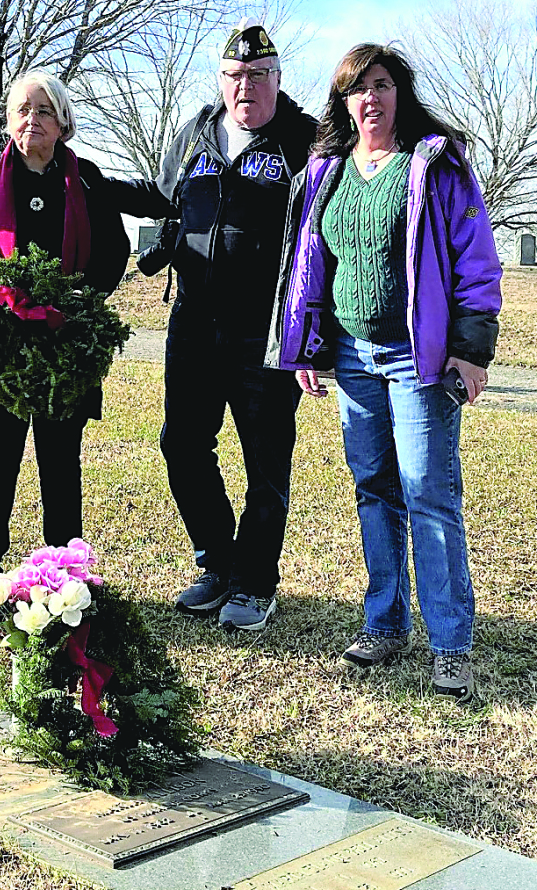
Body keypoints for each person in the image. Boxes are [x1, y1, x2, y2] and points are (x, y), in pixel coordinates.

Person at [266, 43, 502, 701]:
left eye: (379, 84)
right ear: (343, 102)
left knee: (428, 490)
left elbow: (478, 262)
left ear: (400, 91)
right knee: (373, 487)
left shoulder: (434, 165)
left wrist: (471, 349)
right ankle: (384, 623)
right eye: (354, 89)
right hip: (352, 360)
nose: (368, 98)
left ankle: (451, 644)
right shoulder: (326, 172)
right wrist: (309, 348)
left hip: (416, 360)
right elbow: (311, 269)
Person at [106, 18, 317, 630]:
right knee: (182, 445)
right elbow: (162, 195)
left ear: (277, 80)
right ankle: (218, 564)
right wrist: (92, 181)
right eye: (233, 76)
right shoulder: (195, 131)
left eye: (256, 75)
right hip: (193, 324)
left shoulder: (304, 138)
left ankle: (255, 583)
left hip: (266, 330)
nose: (244, 86)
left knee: (265, 460)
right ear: (220, 81)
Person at [0, 71, 129, 584]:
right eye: (24, 109)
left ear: (63, 122)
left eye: (45, 110)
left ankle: (64, 578)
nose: (33, 120)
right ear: (9, 120)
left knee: (61, 463)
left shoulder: (86, 178)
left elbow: (113, 254)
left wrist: (73, 300)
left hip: (65, 345)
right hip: (2, 349)